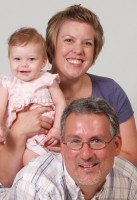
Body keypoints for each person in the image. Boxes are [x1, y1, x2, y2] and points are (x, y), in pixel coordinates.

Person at [0, 4, 137, 187]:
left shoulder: (110, 91)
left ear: (95, 51)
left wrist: (76, 151)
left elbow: (132, 159)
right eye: (69, 40)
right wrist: (18, 131)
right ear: (50, 46)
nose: (78, 50)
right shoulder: (18, 94)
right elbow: (6, 179)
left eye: (87, 43)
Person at [0, 97, 137, 199]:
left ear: (116, 145)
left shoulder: (129, 179)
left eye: (96, 141)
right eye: (75, 142)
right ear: (62, 147)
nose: (85, 154)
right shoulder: (34, 186)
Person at [0, 27, 66, 166]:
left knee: (31, 160)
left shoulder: (47, 79)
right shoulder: (7, 84)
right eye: (17, 59)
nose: (23, 64)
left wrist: (57, 129)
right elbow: (0, 106)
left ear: (43, 61)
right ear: (9, 59)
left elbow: (61, 103)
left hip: (43, 135)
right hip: (14, 137)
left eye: (31, 59)